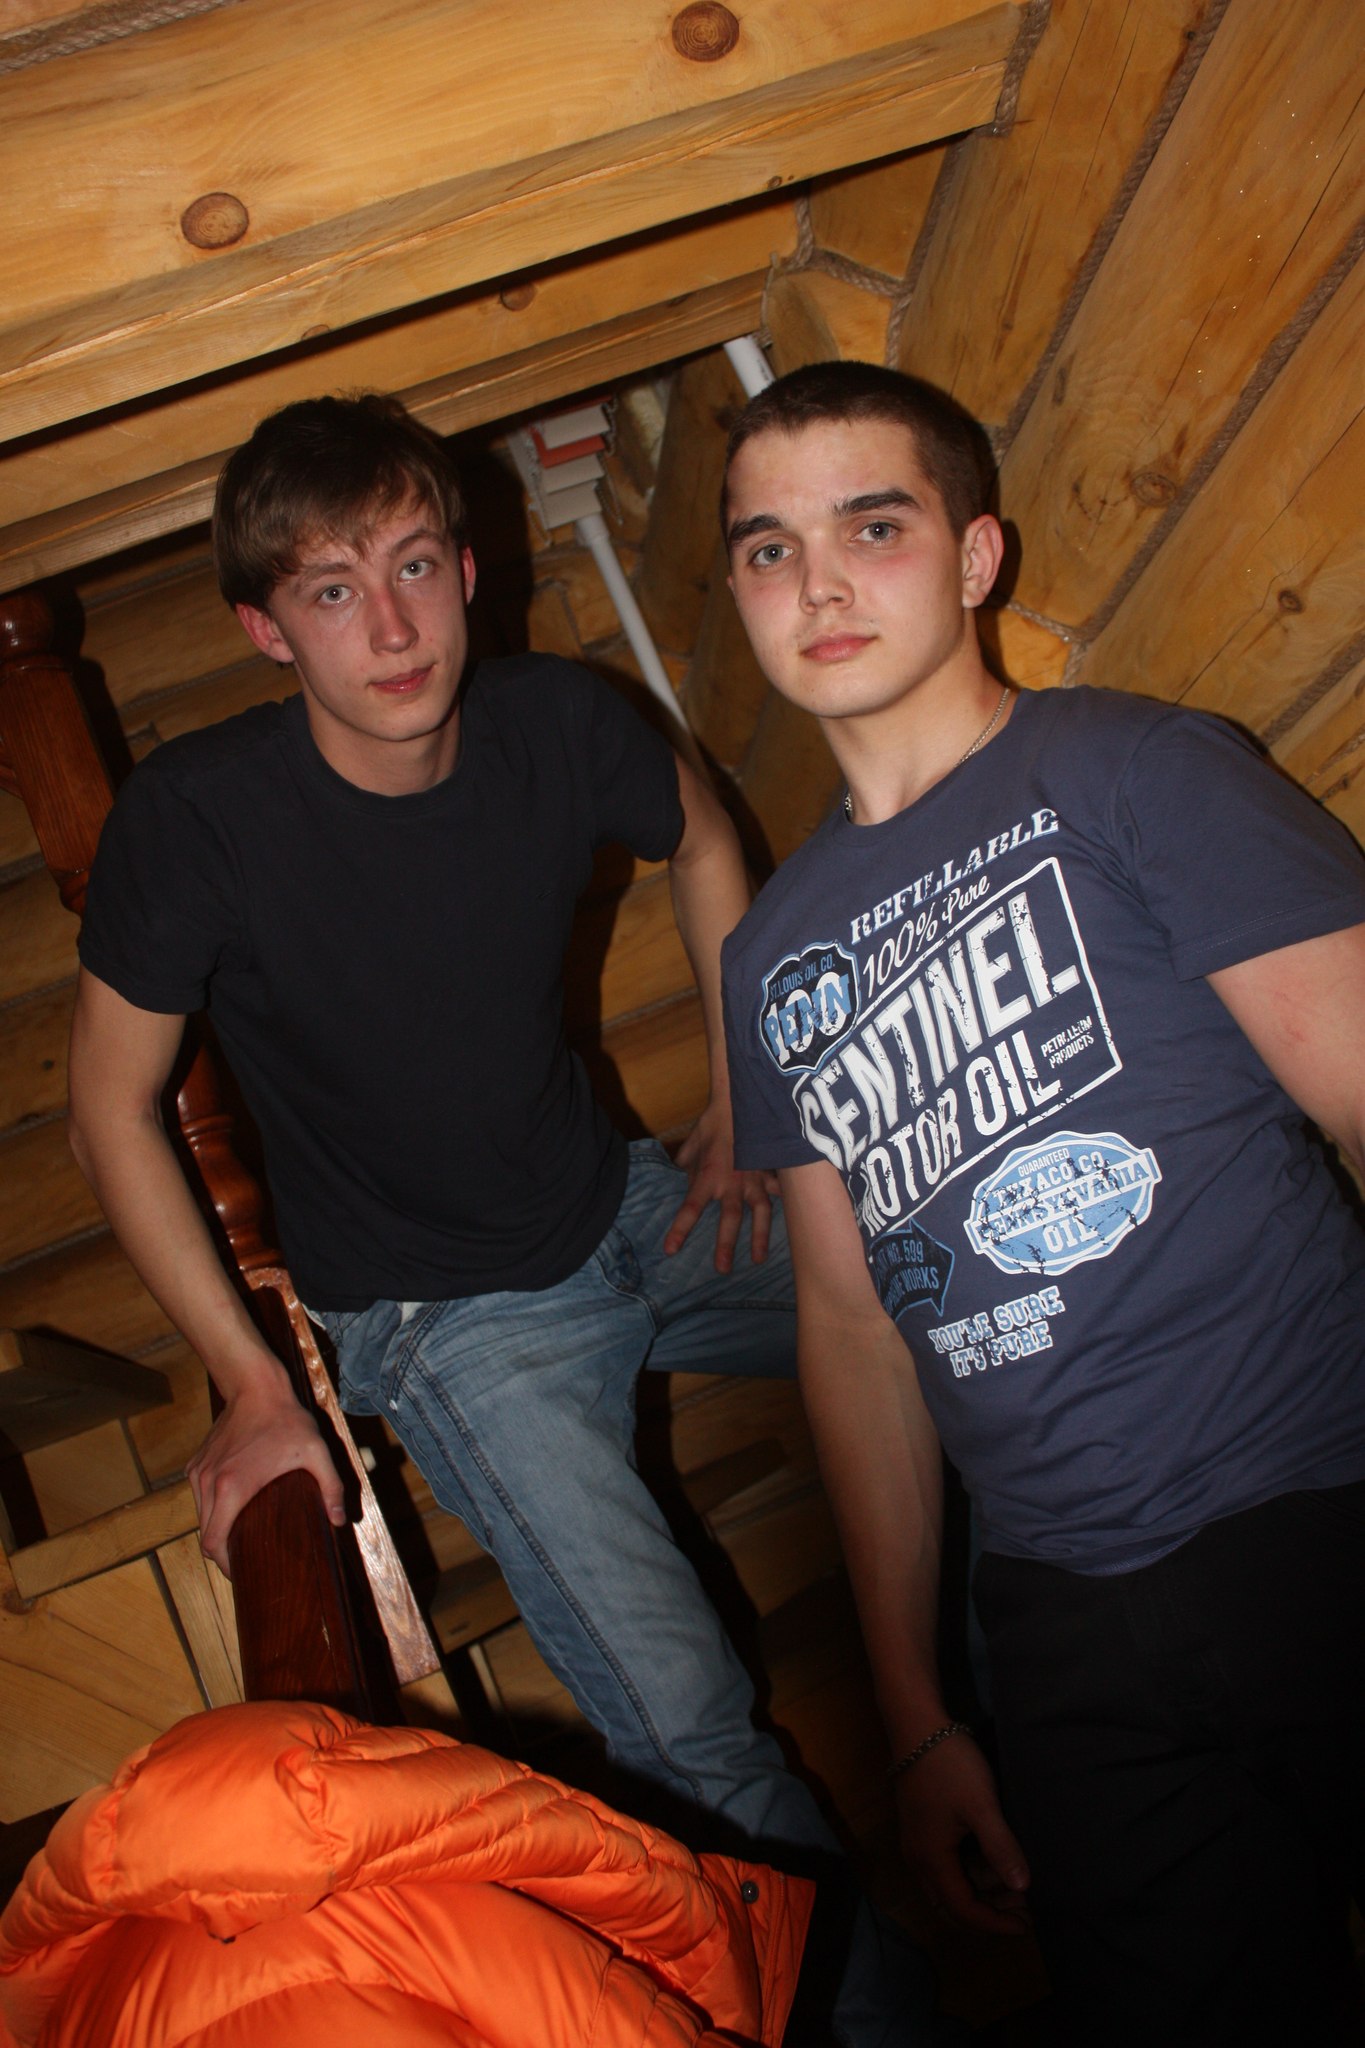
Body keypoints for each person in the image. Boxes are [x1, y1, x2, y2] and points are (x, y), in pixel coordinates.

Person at [67, 392, 942, 2048]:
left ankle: (1010, 1768)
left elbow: (702, 840)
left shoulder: (557, 720)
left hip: (629, 1206)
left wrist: (748, 1103)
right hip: (452, 1326)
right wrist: (255, 1382)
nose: (391, 627)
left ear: (468, 571)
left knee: (961, 1320)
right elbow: (108, 1110)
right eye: (333, 593)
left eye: (414, 567)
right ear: (266, 630)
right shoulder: (200, 823)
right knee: (696, 1738)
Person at [718, 360, 1365, 2044]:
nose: (820, 585)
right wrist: (917, 1713)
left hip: (1313, 1503)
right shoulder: (769, 955)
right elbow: (849, 1330)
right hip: (1058, 1629)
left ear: (974, 556)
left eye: (872, 527)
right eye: (770, 549)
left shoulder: (1137, 768)